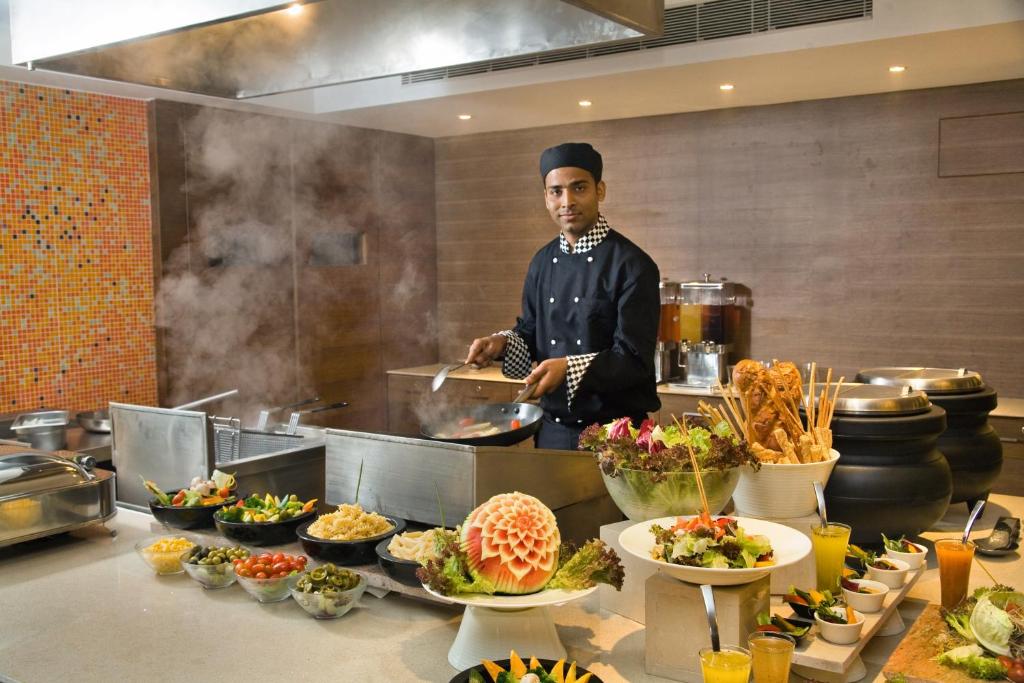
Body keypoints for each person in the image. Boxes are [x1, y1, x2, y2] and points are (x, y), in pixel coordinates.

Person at [465, 142, 661, 449]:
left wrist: (567, 368)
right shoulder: (541, 262)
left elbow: (633, 359)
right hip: (552, 432)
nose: (567, 201)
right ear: (546, 198)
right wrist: (502, 343)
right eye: (556, 191)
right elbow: (531, 331)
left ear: (600, 191)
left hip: (616, 435)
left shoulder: (633, 265)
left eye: (579, 188)